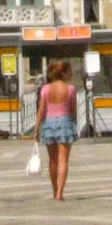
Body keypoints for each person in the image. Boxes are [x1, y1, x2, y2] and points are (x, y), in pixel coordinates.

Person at [33, 61, 78, 201]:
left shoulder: (45, 89)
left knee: (52, 160)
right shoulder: (70, 89)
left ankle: (54, 189)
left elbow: (41, 110)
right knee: (63, 160)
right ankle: (60, 193)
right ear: (63, 73)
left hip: (49, 123)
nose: (71, 74)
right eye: (69, 71)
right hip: (64, 122)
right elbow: (72, 109)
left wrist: (36, 129)